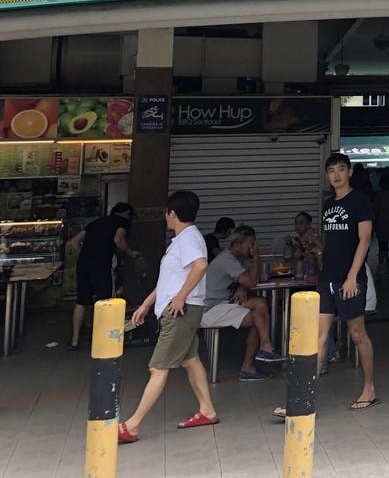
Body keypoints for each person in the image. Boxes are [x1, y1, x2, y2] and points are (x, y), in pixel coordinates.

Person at [118, 190, 215, 444]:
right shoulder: (182, 239)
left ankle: (132, 425)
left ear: (172, 213)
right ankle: (207, 410)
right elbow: (168, 281)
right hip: (180, 309)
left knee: (157, 367)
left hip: (180, 312)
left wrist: (181, 297)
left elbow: (201, 265)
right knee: (190, 360)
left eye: (166, 212)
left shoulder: (188, 238)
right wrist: (146, 304)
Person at [319, 152, 379, 410]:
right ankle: (303, 398)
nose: (336, 175)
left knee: (357, 334)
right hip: (327, 279)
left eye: (341, 169)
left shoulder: (360, 201)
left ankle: (369, 388)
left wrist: (352, 276)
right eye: (331, 170)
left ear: (350, 172)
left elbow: (364, 240)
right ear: (327, 175)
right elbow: (333, 241)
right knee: (319, 338)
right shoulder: (327, 205)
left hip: (350, 280)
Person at [202, 226, 284, 380]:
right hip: (209, 310)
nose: (253, 248)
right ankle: (257, 357)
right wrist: (256, 258)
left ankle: (263, 349)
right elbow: (252, 281)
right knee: (258, 317)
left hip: (222, 303)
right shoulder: (227, 260)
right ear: (237, 245)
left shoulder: (237, 259)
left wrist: (242, 286)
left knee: (260, 306)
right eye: (250, 244)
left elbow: (246, 279)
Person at [67, 203, 140, 350]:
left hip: (83, 264)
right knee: (105, 302)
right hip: (101, 266)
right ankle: (102, 339)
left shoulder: (96, 222)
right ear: (127, 213)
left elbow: (73, 242)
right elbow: (118, 240)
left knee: (81, 301)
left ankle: (74, 340)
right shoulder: (122, 222)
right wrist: (130, 253)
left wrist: (87, 253)